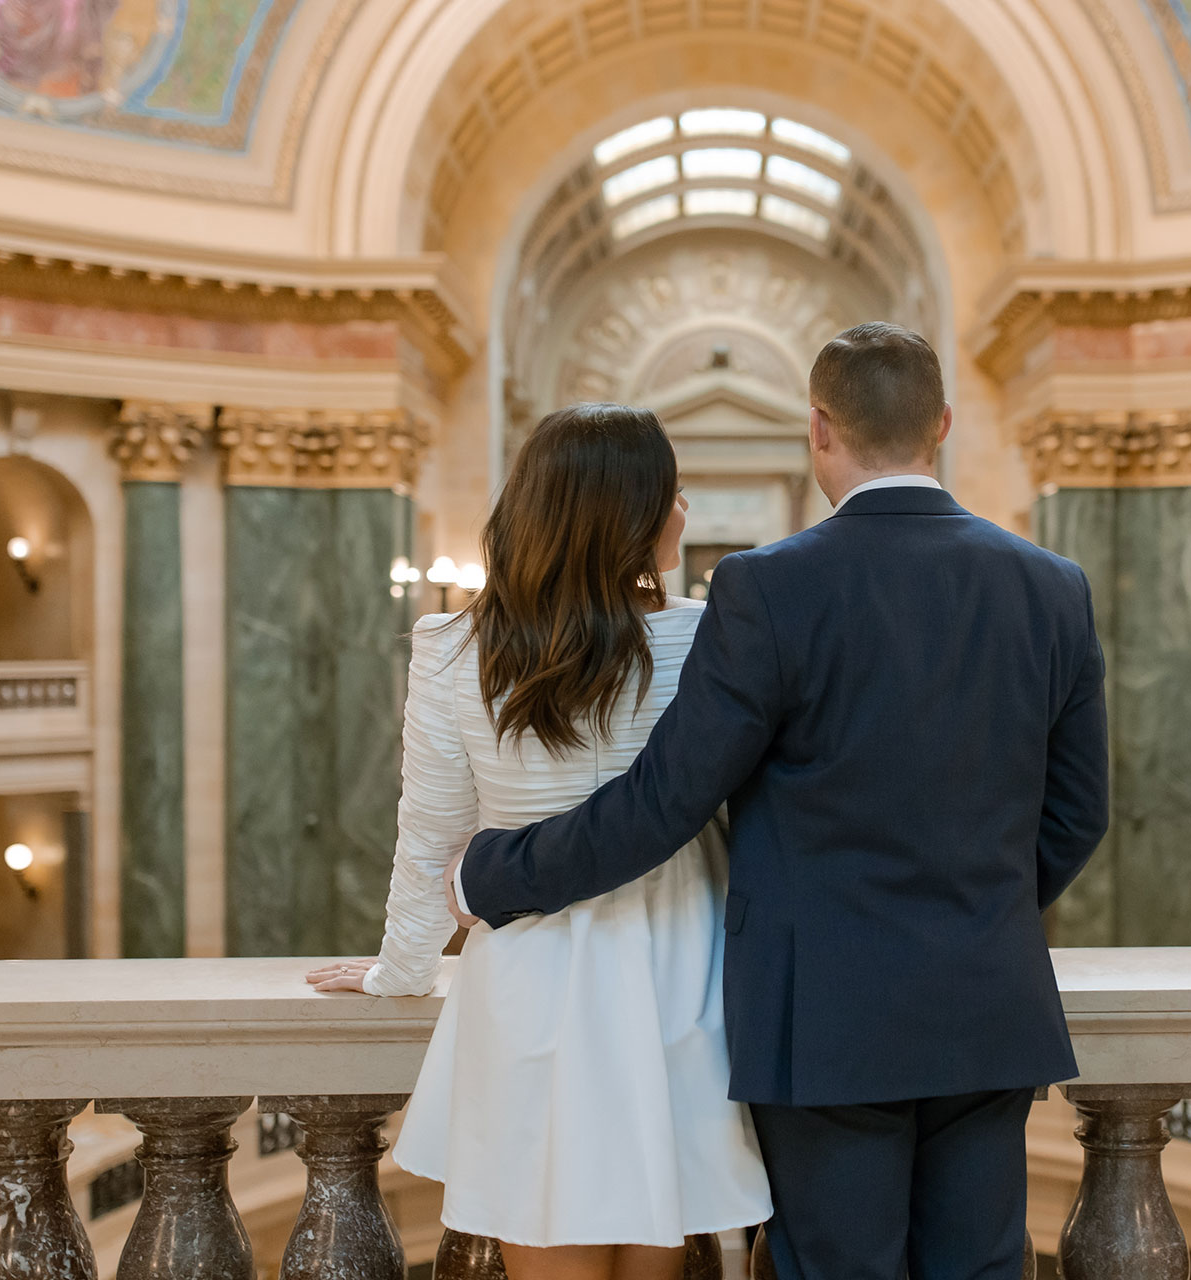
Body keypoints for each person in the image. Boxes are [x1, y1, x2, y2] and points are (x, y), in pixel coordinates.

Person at [449, 323, 1109, 1280]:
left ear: (819, 429)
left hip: (823, 1018)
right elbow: (1079, 810)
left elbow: (664, 804)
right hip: (986, 1001)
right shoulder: (1054, 587)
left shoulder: (766, 588)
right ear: (944, 426)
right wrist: (978, 907)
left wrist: (491, 870)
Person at [307, 403, 772, 1280]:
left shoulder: (455, 646)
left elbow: (430, 836)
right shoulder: (707, 637)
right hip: (679, 968)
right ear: (626, 515)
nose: (685, 510)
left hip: (529, 971)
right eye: (671, 494)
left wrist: (398, 970)